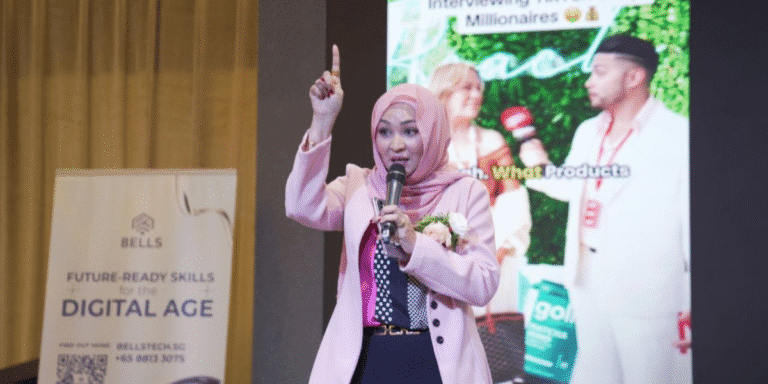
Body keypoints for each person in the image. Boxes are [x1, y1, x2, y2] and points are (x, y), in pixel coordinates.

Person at [285, 45, 500, 384]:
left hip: (436, 361)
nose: (395, 145)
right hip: (367, 360)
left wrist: (417, 246)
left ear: (432, 133)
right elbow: (301, 206)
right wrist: (322, 120)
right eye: (384, 131)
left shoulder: (464, 192)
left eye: (410, 131)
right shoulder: (359, 186)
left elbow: (483, 283)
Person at [519, 35, 691, 383]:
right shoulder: (588, 132)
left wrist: (694, 300)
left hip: (650, 293)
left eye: (599, 72)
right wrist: (536, 165)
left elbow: (694, 225)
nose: (588, 81)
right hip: (587, 281)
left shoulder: (678, 135)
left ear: (634, 77)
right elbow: (572, 187)